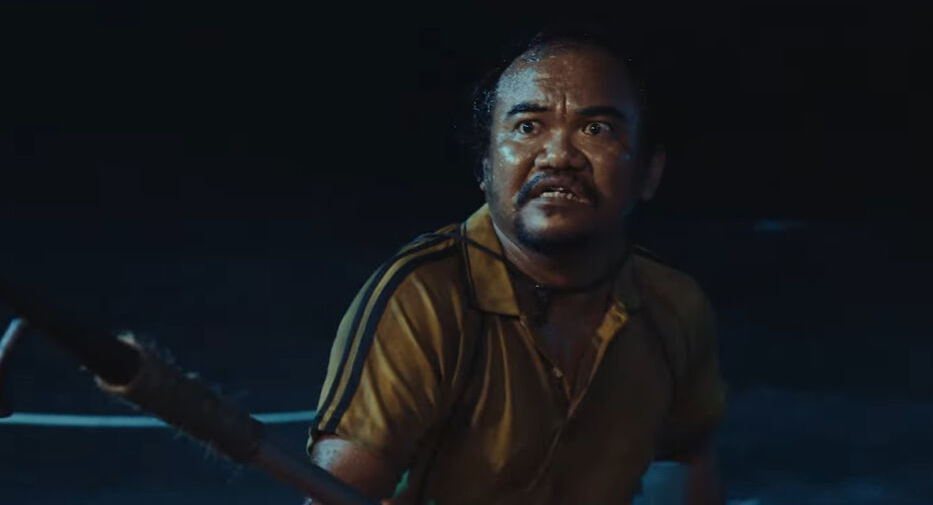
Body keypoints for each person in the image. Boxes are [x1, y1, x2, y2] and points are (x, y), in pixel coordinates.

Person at [307, 29, 726, 505]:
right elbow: (334, 497)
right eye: (528, 127)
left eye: (596, 129)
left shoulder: (675, 305)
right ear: (485, 166)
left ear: (648, 172)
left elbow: (689, 463)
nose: (559, 155)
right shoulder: (423, 297)